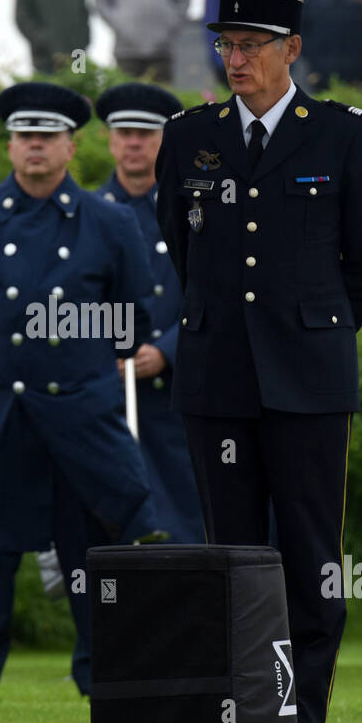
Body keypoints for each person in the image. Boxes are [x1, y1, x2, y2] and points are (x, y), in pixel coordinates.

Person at [155, 0, 362, 723]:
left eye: (251, 46)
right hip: (218, 370)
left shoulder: (340, 134)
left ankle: (298, 718)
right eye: (226, 45)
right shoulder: (189, 134)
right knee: (227, 550)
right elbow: (180, 242)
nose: (236, 59)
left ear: (291, 50)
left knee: (309, 553)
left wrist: (318, 323)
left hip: (309, 376)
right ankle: (235, 711)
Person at [0, 82, 162, 704]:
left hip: (82, 413)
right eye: (24, 136)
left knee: (92, 550)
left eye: (48, 136)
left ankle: (103, 674)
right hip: (0, 408)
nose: (35, 146)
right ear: (10, 145)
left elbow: (132, 319)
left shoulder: (109, 223)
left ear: (71, 146)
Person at [94, 82, 203, 545]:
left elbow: (216, 292)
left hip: (183, 395)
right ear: (111, 140)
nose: (134, 142)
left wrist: (166, 350)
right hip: (112, 399)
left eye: (145, 132)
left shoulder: (198, 211)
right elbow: (75, 301)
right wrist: (107, 352)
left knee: (188, 527)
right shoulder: (89, 214)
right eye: (124, 132)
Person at [94, 0, 190, 82]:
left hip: (162, 50)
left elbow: (183, 0)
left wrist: (167, 28)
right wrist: (120, 25)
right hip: (126, 50)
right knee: (126, 95)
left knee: (160, 96)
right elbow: (101, 0)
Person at [15, 0, 90, 75]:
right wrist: (42, 40)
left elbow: (83, 12)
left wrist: (84, 41)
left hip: (77, 53)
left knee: (78, 86)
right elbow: (22, 17)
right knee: (48, 89)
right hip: (45, 57)